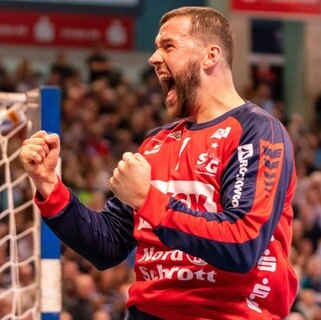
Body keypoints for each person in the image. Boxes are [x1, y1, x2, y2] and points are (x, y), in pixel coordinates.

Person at [20, 6, 297, 319]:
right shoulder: (155, 143)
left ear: (210, 56)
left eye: (168, 46)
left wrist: (148, 199)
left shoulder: (257, 131)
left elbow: (242, 243)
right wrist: (50, 186)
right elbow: (108, 245)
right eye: (155, 48)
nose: (153, 59)